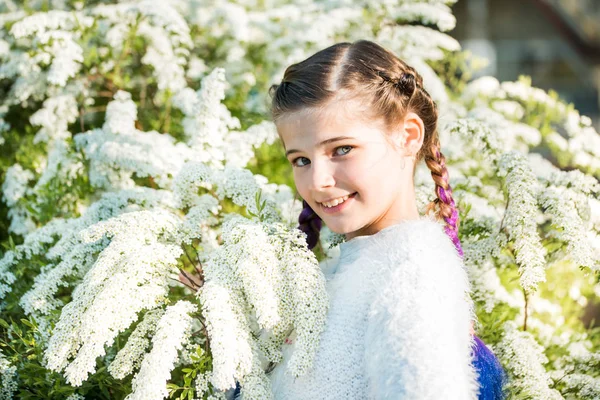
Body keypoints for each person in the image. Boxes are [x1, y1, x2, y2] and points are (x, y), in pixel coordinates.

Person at [233, 39, 506, 400]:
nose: (317, 181)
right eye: (301, 160)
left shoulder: (411, 273)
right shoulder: (344, 271)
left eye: (341, 149)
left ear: (408, 136)